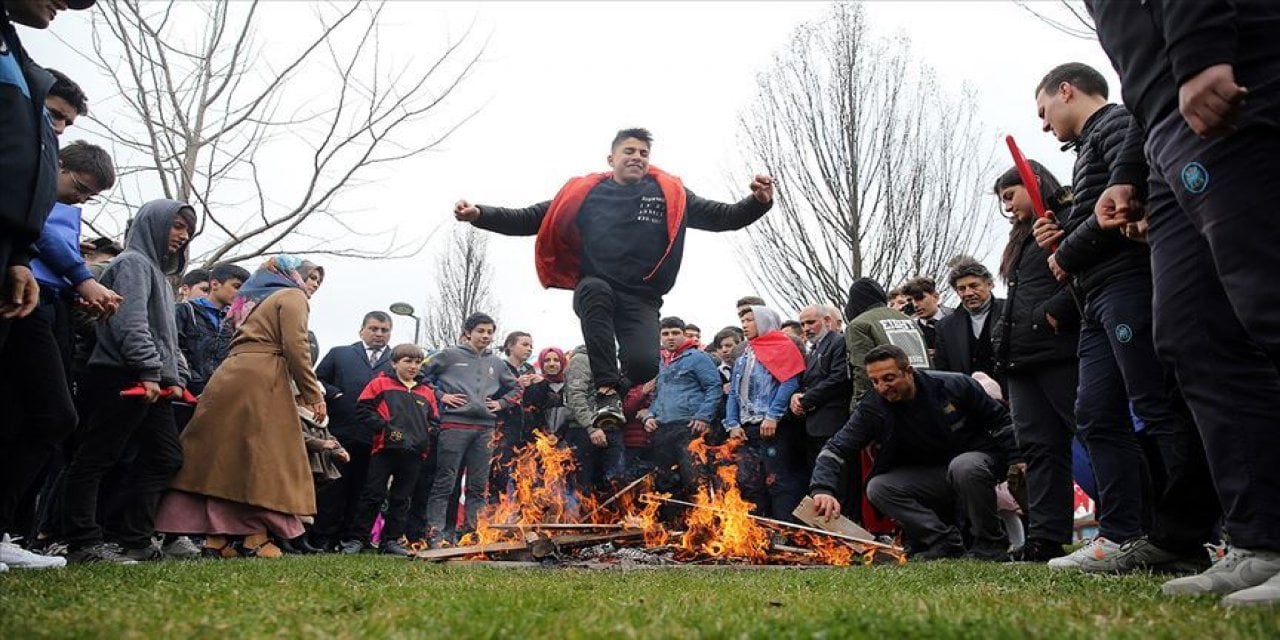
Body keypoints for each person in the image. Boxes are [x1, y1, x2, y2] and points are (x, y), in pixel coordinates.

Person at [1085, 1, 1280, 606]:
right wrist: (1131, 173)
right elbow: (1136, 68)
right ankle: (1261, 539)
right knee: (1191, 333)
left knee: (1269, 300)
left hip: (1226, 74)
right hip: (1163, 127)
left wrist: (1199, 51)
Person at [1031, 61, 1220, 575]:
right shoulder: (1090, 147)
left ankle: (1197, 532)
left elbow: (1125, 205)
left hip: (1128, 286)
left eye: (1044, 109)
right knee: (1095, 413)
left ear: (1065, 90)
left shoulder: (1117, 126)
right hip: (1094, 300)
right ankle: (1120, 533)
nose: (1044, 124)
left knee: (1156, 407)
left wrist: (1067, 251)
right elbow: (1097, 212)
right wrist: (1065, 233)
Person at [454, 128, 774, 430]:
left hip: (642, 296)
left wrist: (758, 202)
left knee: (645, 365)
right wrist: (479, 214)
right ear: (612, 159)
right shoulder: (586, 193)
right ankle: (606, 391)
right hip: (596, 287)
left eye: (644, 153)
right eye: (629, 151)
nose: (637, 157)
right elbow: (530, 217)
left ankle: (616, 388)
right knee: (594, 290)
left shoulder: (668, 193)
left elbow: (723, 217)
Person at [153, 255, 325, 560]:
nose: (313, 285)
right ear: (292, 274)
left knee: (225, 459)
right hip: (263, 378)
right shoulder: (291, 296)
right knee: (265, 461)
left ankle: (216, 540)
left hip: (229, 375)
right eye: (310, 277)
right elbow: (296, 347)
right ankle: (255, 538)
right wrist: (313, 394)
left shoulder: (251, 299)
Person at [56, 199, 196, 564]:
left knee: (165, 456)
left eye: (187, 230)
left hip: (154, 382)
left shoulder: (160, 277)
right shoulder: (131, 263)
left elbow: (167, 338)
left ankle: (134, 538)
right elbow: (129, 324)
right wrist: (150, 370)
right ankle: (81, 542)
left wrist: (176, 376)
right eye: (176, 225)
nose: (182, 235)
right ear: (153, 223)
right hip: (122, 375)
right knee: (97, 457)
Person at [0, 139, 117, 570]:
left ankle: (7, 530)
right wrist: (82, 277)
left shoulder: (66, 211)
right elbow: (38, 235)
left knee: (26, 418)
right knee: (51, 415)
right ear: (59, 163)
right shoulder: (29, 189)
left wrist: (74, 288)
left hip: (50, 303)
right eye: (81, 186)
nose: (81, 198)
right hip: (25, 303)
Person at [810, 345, 1022, 561]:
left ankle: (990, 543)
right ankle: (943, 542)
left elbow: (1001, 421)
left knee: (964, 466)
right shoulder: (872, 407)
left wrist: (1018, 459)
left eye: (889, 378)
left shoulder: (955, 385)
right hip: (931, 475)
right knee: (879, 487)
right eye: (875, 381)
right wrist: (823, 488)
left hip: (975, 462)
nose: (882, 387)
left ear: (909, 371)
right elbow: (836, 447)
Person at [991, 161, 1082, 562]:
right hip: (1022, 357)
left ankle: (1130, 524)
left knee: (1092, 434)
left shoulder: (1064, 219)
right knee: (1039, 447)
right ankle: (1046, 534)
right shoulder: (1022, 238)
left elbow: (1081, 272)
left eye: (1010, 195)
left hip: (1060, 348)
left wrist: (1056, 310)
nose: (1007, 206)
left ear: (1035, 184)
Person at [0, 0, 97, 348]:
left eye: (67, 123)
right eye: (53, 115)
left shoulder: (13, 51)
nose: (57, 129)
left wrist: (18, 258)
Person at [421, 313, 517, 545]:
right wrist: (442, 395)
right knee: (446, 481)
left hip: (485, 429)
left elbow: (515, 388)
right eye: (480, 331)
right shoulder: (448, 355)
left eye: (489, 332)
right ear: (468, 333)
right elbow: (420, 375)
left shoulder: (497, 363)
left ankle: (472, 534)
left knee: (477, 485)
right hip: (454, 425)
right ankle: (436, 532)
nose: (485, 336)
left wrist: (501, 403)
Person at [342, 344, 438, 556]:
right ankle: (358, 539)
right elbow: (363, 409)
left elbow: (435, 420)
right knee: (372, 494)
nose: (413, 366)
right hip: (384, 449)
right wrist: (384, 428)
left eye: (417, 362)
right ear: (394, 363)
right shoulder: (379, 384)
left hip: (414, 453)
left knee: (401, 498)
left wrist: (423, 436)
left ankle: (391, 540)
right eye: (407, 361)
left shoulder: (427, 391)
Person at [309, 311, 393, 551]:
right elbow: (316, 380)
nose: (379, 334)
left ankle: (354, 538)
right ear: (362, 330)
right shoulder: (340, 353)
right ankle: (323, 537)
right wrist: (334, 393)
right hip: (341, 432)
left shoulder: (395, 361)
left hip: (376, 437)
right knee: (334, 486)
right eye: (374, 328)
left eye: (384, 330)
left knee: (365, 489)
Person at [725, 305, 806, 522]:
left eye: (750, 320)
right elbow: (734, 392)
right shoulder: (744, 354)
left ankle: (784, 528)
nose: (744, 325)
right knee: (750, 479)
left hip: (773, 426)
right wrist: (733, 423)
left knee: (778, 479)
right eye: (742, 320)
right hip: (746, 428)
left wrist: (773, 415)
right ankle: (757, 531)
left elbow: (790, 381)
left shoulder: (782, 345)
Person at [638, 317, 722, 500]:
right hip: (663, 429)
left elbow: (714, 387)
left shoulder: (699, 357)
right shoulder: (662, 362)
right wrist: (650, 416)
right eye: (665, 333)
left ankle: (704, 524)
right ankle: (671, 525)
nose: (670, 337)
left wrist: (703, 417)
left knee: (695, 478)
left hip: (690, 428)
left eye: (675, 333)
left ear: (684, 335)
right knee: (665, 481)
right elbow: (660, 395)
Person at [175, 263, 249, 396]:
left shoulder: (235, 321)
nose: (240, 293)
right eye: (236, 286)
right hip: (185, 391)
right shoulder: (186, 311)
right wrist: (193, 381)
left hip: (221, 393)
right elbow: (175, 347)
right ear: (214, 284)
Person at [790, 305, 851, 467]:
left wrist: (805, 400)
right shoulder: (813, 350)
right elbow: (807, 381)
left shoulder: (839, 342)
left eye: (810, 322)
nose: (806, 328)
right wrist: (796, 396)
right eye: (802, 325)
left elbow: (839, 378)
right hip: (813, 426)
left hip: (832, 423)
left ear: (827, 321)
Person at [933, 259, 1004, 381]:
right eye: (961, 289)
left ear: (990, 284)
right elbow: (943, 370)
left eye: (974, 286)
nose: (968, 293)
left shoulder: (1009, 311)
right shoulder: (945, 326)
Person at [491, 331, 538, 500]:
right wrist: (517, 386)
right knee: (500, 474)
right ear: (510, 346)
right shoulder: (498, 367)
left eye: (531, 346)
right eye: (524, 344)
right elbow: (492, 396)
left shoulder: (531, 370)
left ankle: (523, 519)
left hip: (527, 432)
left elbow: (536, 403)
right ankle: (493, 515)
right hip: (504, 430)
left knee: (526, 478)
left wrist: (538, 385)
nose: (529, 349)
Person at [898, 277, 951, 358]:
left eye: (920, 298)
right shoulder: (910, 330)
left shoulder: (958, 320)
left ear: (936, 297)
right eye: (910, 300)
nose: (915, 305)